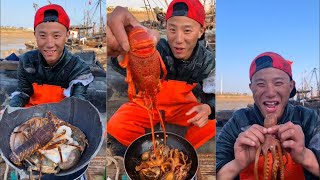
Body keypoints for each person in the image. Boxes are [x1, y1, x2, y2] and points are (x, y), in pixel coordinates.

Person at [106, 0, 216, 156]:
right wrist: (121, 53)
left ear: (201, 31)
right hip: (148, 104)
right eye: (172, 29)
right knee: (116, 124)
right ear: (166, 27)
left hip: (182, 108)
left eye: (187, 31)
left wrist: (209, 108)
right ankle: (147, 150)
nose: (178, 39)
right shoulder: (157, 47)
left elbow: (213, 93)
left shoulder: (207, 60)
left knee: (212, 122)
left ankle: (182, 150)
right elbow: (124, 66)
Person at [216, 52, 320, 179]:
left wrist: (304, 155)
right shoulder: (238, 121)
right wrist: (237, 164)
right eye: (261, 84)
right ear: (251, 88)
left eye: (278, 83)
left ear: (291, 86)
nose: (270, 93)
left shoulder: (308, 119)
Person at [9, 4, 93, 107]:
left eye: (56, 36)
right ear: (35, 35)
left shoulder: (79, 68)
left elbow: (78, 102)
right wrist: (11, 110)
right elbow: (23, 92)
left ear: (67, 36)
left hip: (63, 117)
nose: (49, 44)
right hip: (32, 114)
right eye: (43, 36)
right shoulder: (27, 61)